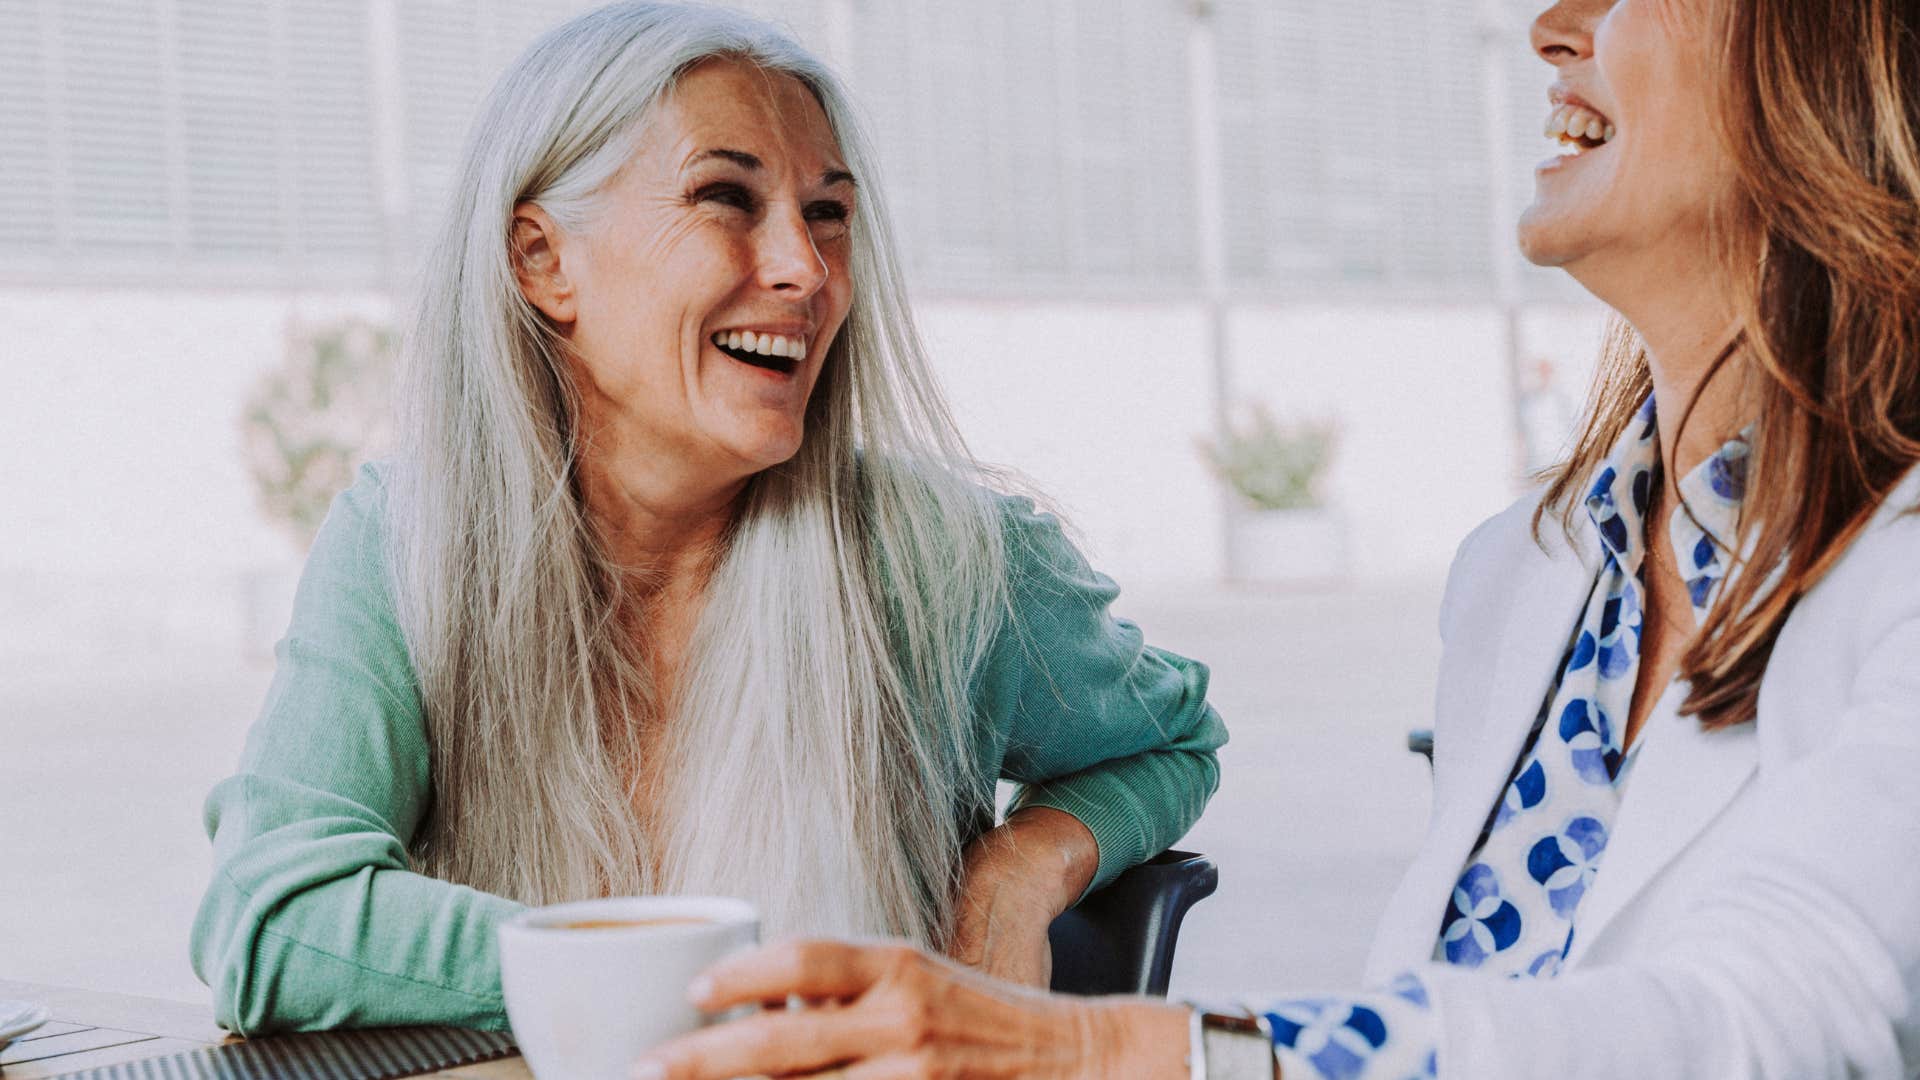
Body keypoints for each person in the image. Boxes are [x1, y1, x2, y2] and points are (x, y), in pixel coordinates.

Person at [634, 0, 1920, 1076]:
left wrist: (1115, 1050)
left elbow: (1798, 1020)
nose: (1553, 25)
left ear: (1836, 51)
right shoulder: (1525, 575)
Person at [189, 2, 1225, 1036]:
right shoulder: (406, 545)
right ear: (542, 261)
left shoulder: (949, 562)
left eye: (828, 215)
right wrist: (660, 976)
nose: (805, 271)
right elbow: (273, 916)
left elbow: (1173, 738)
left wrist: (1024, 863)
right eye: (725, 196)